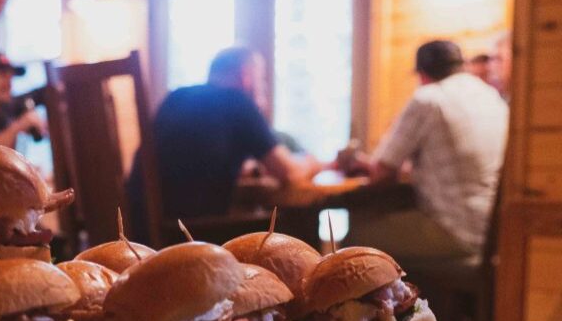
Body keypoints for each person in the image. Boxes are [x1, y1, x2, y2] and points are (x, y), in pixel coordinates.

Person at [127, 46, 319, 240]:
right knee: (297, 218)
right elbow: (289, 172)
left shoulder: (176, 97)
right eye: (261, 80)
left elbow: (195, 161)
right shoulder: (237, 102)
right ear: (246, 76)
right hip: (192, 236)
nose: (262, 88)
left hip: (140, 232)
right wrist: (311, 162)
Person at [341, 40, 508, 261]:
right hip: (493, 232)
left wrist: (356, 163)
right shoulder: (490, 95)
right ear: (461, 66)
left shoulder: (428, 98)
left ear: (422, 74)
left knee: (356, 237)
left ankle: (382, 296)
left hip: (456, 232)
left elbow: (382, 172)